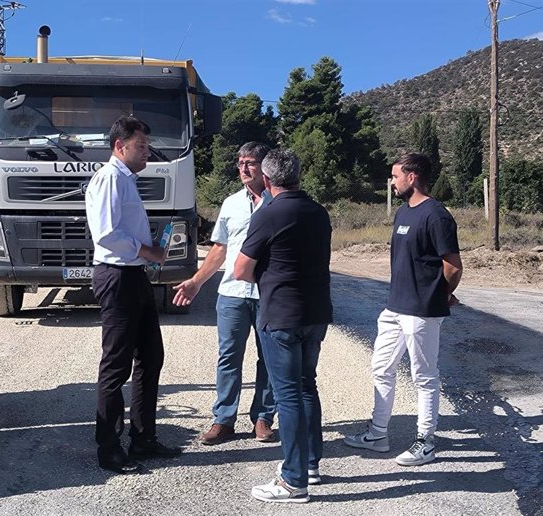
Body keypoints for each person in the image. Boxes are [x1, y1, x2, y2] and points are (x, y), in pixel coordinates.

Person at [344, 152, 463, 466]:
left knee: (424, 377)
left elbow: (452, 266)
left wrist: (441, 294)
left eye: (396, 176)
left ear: (412, 177)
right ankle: (378, 433)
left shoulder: (436, 215)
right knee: (381, 368)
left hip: (422, 311)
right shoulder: (402, 213)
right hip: (394, 307)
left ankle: (425, 442)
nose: (392, 181)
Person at [233, 148, 332, 504]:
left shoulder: (268, 213)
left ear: (268, 179)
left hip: (281, 315)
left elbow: (241, 270)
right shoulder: (319, 212)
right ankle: (311, 464)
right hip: (316, 312)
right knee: (307, 387)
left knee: (287, 394)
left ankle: (293, 481)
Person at [85, 115, 180, 474]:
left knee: (151, 356)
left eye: (147, 147)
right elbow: (107, 233)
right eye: (140, 147)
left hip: (133, 275)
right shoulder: (110, 178)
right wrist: (149, 250)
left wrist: (146, 250)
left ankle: (143, 439)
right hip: (117, 276)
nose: (147, 154)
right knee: (116, 366)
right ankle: (109, 450)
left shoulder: (125, 181)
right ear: (119, 146)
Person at [172, 142, 277, 445]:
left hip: (268, 293)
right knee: (228, 357)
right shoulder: (231, 203)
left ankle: (263, 418)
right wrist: (196, 281)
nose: (244, 168)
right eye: (240, 162)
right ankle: (224, 420)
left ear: (264, 165)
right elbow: (219, 249)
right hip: (232, 292)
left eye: (251, 162)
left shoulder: (278, 201)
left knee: (268, 358)